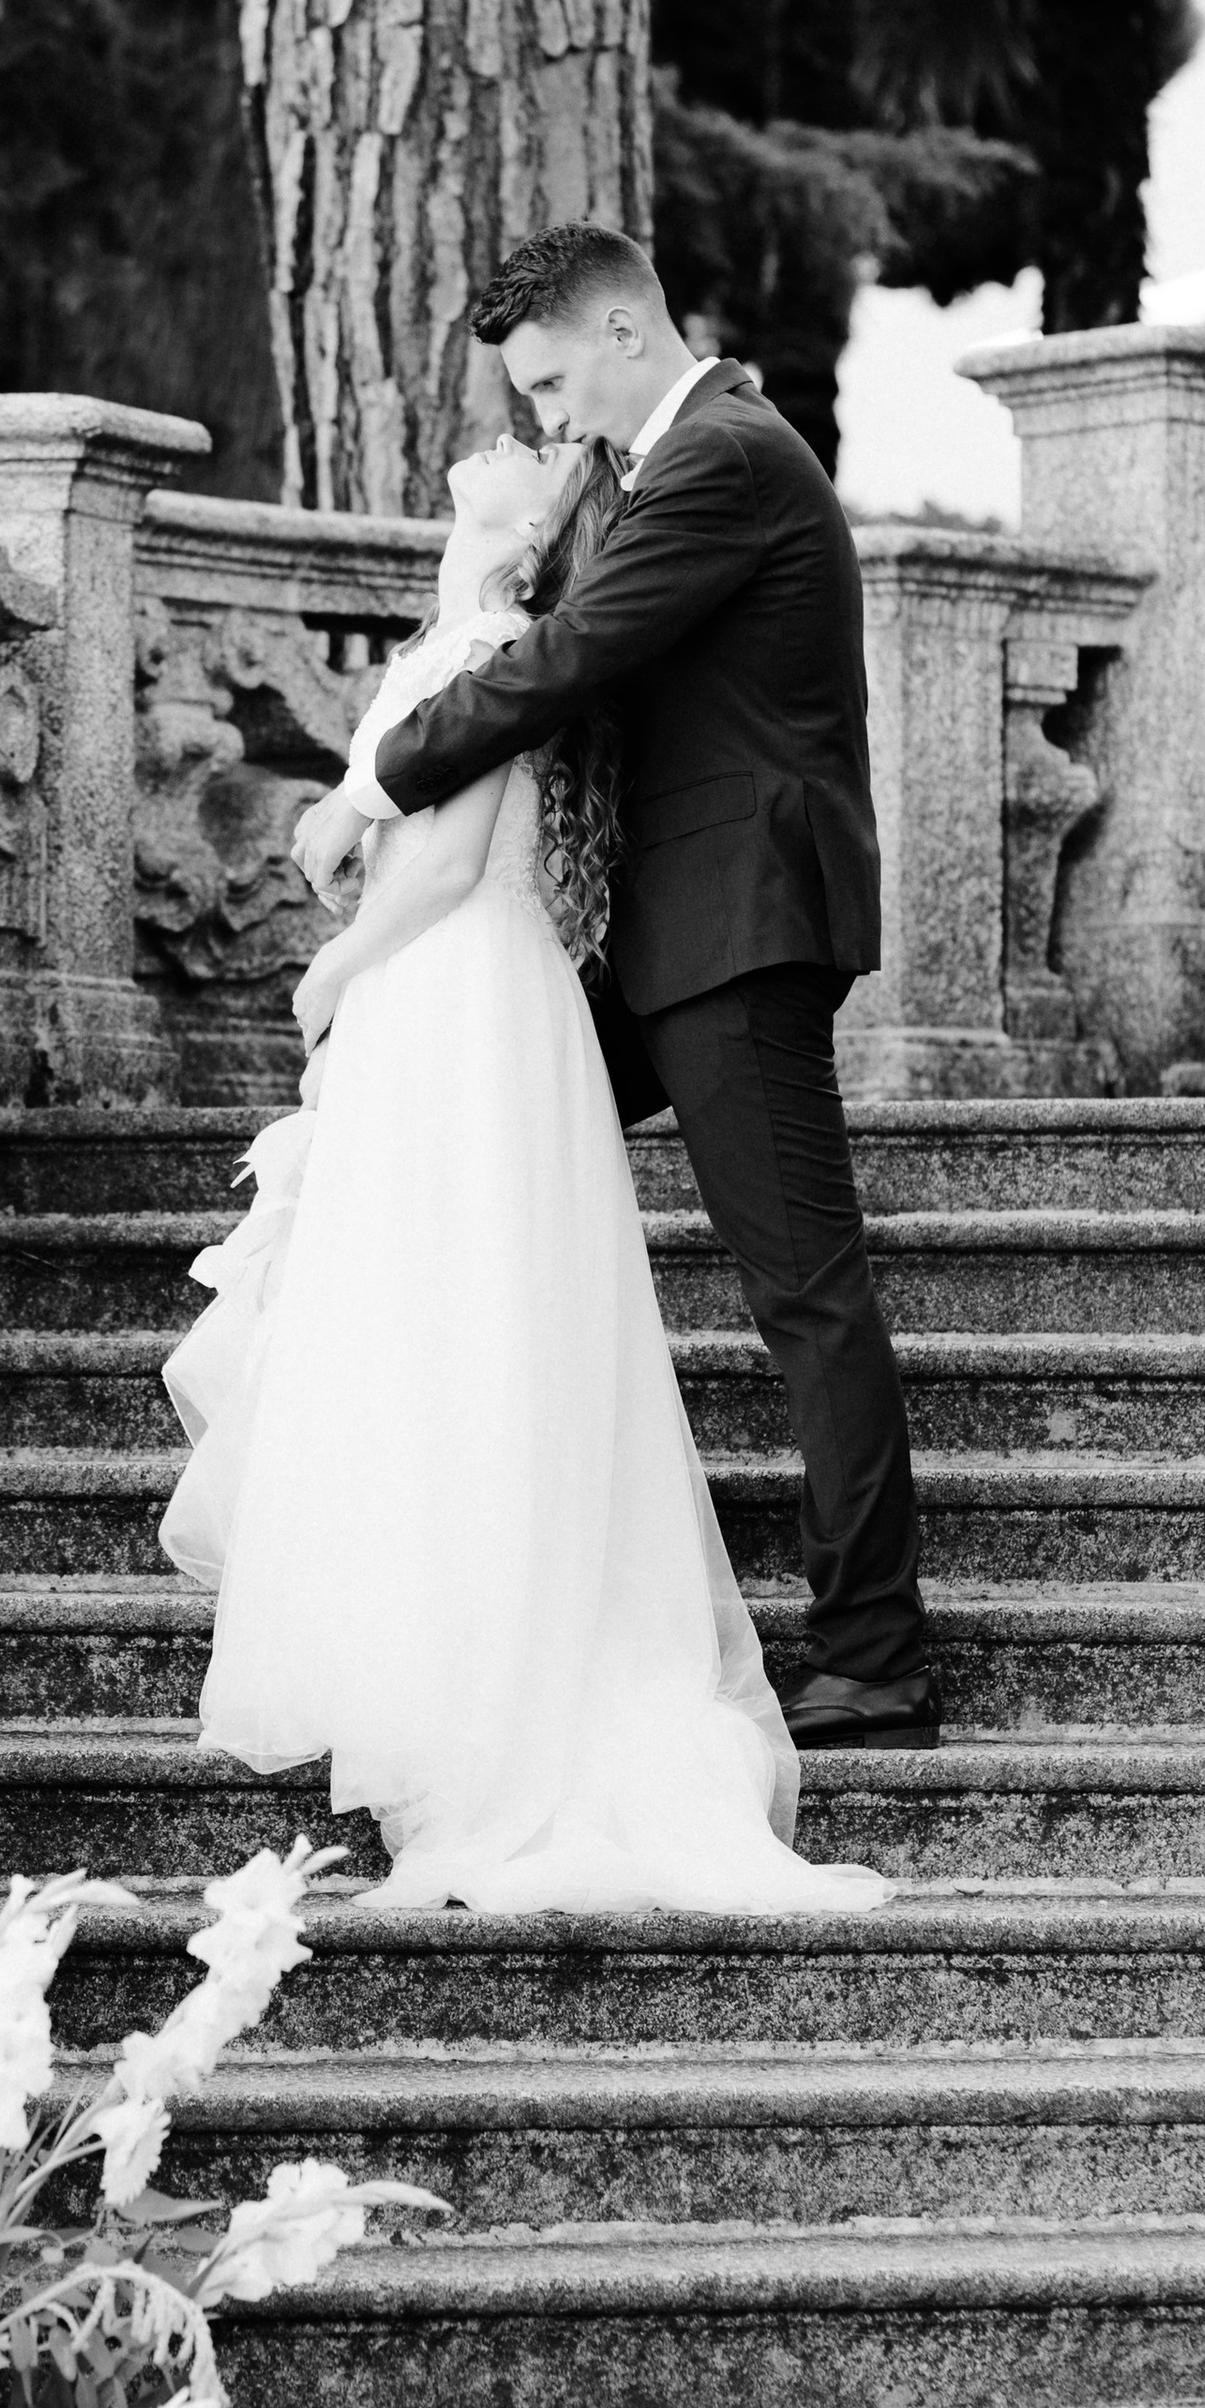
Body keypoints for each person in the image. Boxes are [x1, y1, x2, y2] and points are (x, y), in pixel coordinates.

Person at [157, 412, 891, 1918]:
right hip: (463, 997)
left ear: (540, 519)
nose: (506, 438)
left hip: (457, 987)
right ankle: (436, 1624)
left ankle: (541, 1669)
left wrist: (338, 961)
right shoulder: (469, 636)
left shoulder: (500, 641)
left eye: (536, 431)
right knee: (431, 1311)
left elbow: (442, 853)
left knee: (477, 1298)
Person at [287, 220, 937, 1756]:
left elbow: (571, 660)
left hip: (739, 930)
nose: (549, 416)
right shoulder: (672, 458)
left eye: (558, 377)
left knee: (807, 1293)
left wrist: (369, 783)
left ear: (629, 331)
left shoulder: (722, 456)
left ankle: (875, 1661)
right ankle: (491, 1579)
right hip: (665, 938)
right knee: (472, 1114)